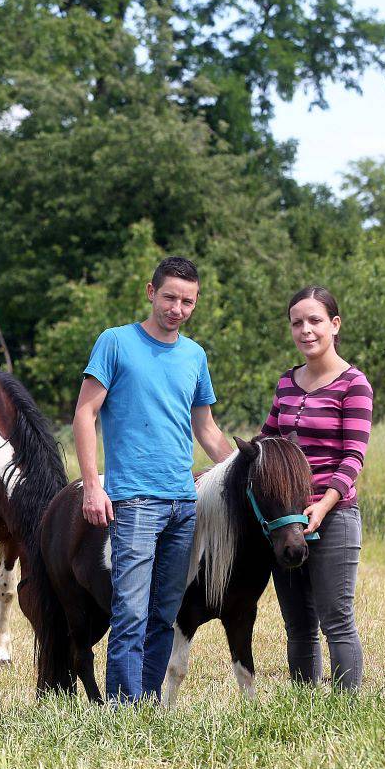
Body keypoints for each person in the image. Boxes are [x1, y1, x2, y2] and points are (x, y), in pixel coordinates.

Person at [73, 256, 233, 703]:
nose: (177, 308)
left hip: (184, 502)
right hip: (135, 501)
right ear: (150, 292)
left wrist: (244, 467)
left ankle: (145, 705)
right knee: (130, 612)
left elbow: (206, 429)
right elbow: (85, 415)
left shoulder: (194, 355)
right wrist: (91, 484)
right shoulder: (116, 343)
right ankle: (124, 712)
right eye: (169, 297)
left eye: (187, 301)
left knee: (165, 613)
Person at [260, 285, 371, 690]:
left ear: (334, 325)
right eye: (297, 323)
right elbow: (266, 445)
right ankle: (306, 712)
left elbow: (353, 458)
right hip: (286, 519)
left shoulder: (354, 384)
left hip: (334, 515)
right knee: (298, 625)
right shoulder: (286, 384)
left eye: (315, 321)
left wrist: (323, 506)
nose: (305, 330)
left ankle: (345, 711)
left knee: (336, 620)